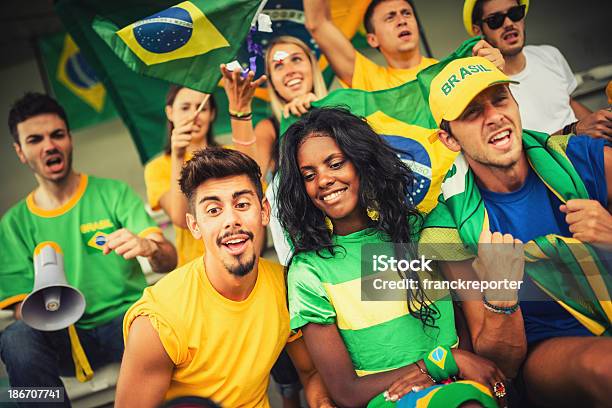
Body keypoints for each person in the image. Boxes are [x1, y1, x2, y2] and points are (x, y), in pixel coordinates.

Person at [277, 107, 503, 407]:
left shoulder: (418, 228)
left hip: (460, 382)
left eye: (335, 164)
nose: (324, 180)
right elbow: (346, 392)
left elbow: (457, 321)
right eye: (309, 175)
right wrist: (444, 364)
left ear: (361, 162)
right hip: (389, 399)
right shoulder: (309, 272)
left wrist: (453, 363)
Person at [419, 55, 612, 407]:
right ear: (449, 139)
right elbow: (502, 364)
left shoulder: (580, 157)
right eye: (472, 112)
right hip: (546, 350)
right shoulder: (447, 228)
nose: (494, 116)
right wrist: (499, 298)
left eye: (500, 98)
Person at [116, 148, 332, 408]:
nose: (231, 220)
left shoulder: (287, 286)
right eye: (213, 210)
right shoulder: (157, 321)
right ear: (194, 225)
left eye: (242, 205)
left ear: (264, 211)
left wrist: (322, 403)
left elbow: (310, 373)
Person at [0, 92, 177, 406]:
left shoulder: (112, 193)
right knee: (15, 339)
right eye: (35, 139)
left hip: (128, 324)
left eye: (57, 135)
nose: (49, 146)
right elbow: (18, 308)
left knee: (158, 321)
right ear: (20, 151)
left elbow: (169, 260)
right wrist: (50, 304)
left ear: (69, 139)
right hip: (65, 338)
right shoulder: (14, 224)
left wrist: (148, 245)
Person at [221, 35, 328, 266]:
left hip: (364, 243)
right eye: (278, 66)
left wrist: (322, 114)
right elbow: (246, 178)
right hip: (310, 260)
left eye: (296, 59)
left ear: (312, 65)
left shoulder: (346, 108)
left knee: (386, 300)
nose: (289, 70)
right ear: (272, 81)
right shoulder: (269, 128)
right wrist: (239, 111)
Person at [464, 0, 612, 138]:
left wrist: (604, 125)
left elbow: (568, 103)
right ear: (478, 31)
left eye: (515, 13)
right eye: (495, 20)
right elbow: (521, 149)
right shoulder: (483, 89)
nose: (508, 23)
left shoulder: (549, 54)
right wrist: (574, 130)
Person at [304, 0, 504, 92]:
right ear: (372, 39)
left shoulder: (450, 71)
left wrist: (493, 72)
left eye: (406, 13)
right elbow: (318, 24)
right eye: (390, 17)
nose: (402, 20)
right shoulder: (367, 77)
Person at [144, 86, 218, 267]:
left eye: (202, 107)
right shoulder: (157, 168)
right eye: (185, 108)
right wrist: (178, 156)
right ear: (170, 112)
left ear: (212, 114)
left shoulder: (232, 155)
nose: (194, 115)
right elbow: (180, 217)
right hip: (195, 270)